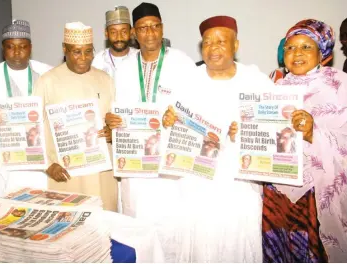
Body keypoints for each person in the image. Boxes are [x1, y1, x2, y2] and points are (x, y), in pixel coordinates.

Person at [162, 16, 273, 262]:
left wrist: (247, 133)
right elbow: (171, 126)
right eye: (208, 42)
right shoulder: (187, 80)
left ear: (236, 45)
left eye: (221, 41)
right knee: (201, 246)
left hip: (239, 186)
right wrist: (168, 122)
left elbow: (274, 131)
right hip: (197, 184)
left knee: (239, 245)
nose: (213, 48)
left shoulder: (256, 81)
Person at [263, 19, 347, 262]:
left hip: (315, 192)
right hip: (276, 191)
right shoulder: (273, 87)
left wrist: (313, 133)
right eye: (290, 48)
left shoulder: (340, 85)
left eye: (306, 47)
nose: (296, 53)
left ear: (323, 54)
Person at [109, 1, 195, 220]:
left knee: (172, 223)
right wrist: (112, 121)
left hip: (171, 161)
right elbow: (118, 108)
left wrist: (179, 117)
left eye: (155, 26)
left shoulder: (182, 62)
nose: (150, 33)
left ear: (162, 28)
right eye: (143, 28)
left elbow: (196, 108)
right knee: (138, 221)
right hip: (135, 162)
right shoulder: (124, 68)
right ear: (133, 33)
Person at [33, 22, 117, 212]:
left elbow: (115, 120)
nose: (83, 58)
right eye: (76, 52)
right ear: (64, 49)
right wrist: (47, 165)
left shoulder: (105, 80)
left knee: (106, 229)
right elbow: (34, 128)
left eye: (88, 52)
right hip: (66, 175)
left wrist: (113, 131)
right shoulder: (47, 81)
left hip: (102, 174)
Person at [0, 20, 52, 192]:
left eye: (22, 46)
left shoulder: (47, 73)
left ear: (30, 47)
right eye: (11, 46)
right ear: (3, 49)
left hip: (42, 158)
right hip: (6, 159)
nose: (17, 52)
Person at [92, 6, 138, 78]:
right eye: (113, 32)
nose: (119, 37)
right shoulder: (99, 60)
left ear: (131, 32)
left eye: (124, 32)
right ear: (106, 33)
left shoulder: (139, 57)